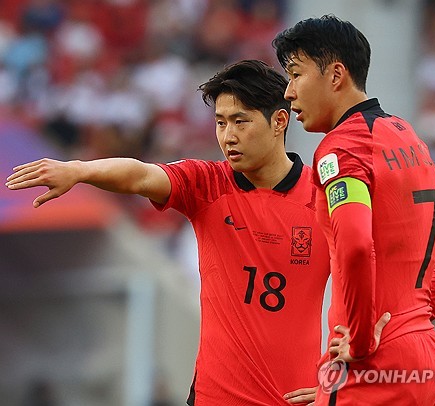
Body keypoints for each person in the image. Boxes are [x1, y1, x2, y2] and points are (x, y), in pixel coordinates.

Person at [6, 60, 332, 406]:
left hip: (298, 399)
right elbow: (140, 176)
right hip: (214, 397)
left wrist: (340, 379)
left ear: (279, 121)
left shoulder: (323, 196)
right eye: (220, 123)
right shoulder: (207, 184)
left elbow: (372, 293)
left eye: (241, 121)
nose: (228, 136)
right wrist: (81, 170)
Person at [273, 15, 435, 405]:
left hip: (373, 363)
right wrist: (420, 312)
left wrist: (358, 339)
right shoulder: (406, 138)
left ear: (335, 75)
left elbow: (356, 244)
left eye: (295, 74)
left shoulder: (345, 148)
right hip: (425, 356)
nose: (288, 92)